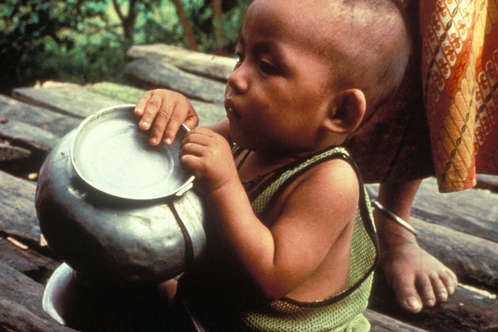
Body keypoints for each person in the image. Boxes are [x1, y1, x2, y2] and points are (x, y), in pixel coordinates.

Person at [134, 0, 411, 330]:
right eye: (240, 57)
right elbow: (178, 156)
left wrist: (224, 184)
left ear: (340, 111)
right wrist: (172, 117)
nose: (236, 78)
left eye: (266, 67)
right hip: (215, 310)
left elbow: (271, 276)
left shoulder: (332, 180)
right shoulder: (246, 134)